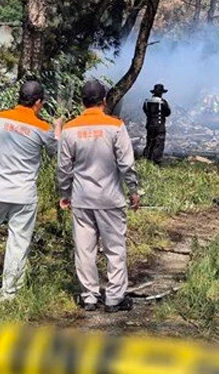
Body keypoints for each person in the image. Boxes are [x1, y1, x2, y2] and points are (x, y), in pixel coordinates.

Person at [0, 80, 62, 300]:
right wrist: (58, 128)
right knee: (18, 241)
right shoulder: (43, 128)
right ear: (38, 102)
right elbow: (57, 151)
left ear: (19, 97)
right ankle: (9, 292)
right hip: (23, 194)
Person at [57, 80, 140, 313]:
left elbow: (64, 168)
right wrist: (133, 190)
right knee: (114, 248)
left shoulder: (70, 128)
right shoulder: (115, 126)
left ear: (82, 102)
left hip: (82, 198)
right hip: (110, 198)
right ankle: (114, 298)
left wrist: (65, 193)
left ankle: (89, 297)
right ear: (104, 101)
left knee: (84, 249)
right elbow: (126, 163)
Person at [142, 83, 171, 165]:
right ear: (161, 93)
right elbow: (168, 113)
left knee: (149, 142)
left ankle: (146, 158)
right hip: (159, 125)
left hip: (150, 124)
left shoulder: (147, 102)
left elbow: (145, 111)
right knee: (159, 143)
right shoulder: (163, 102)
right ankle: (156, 161)